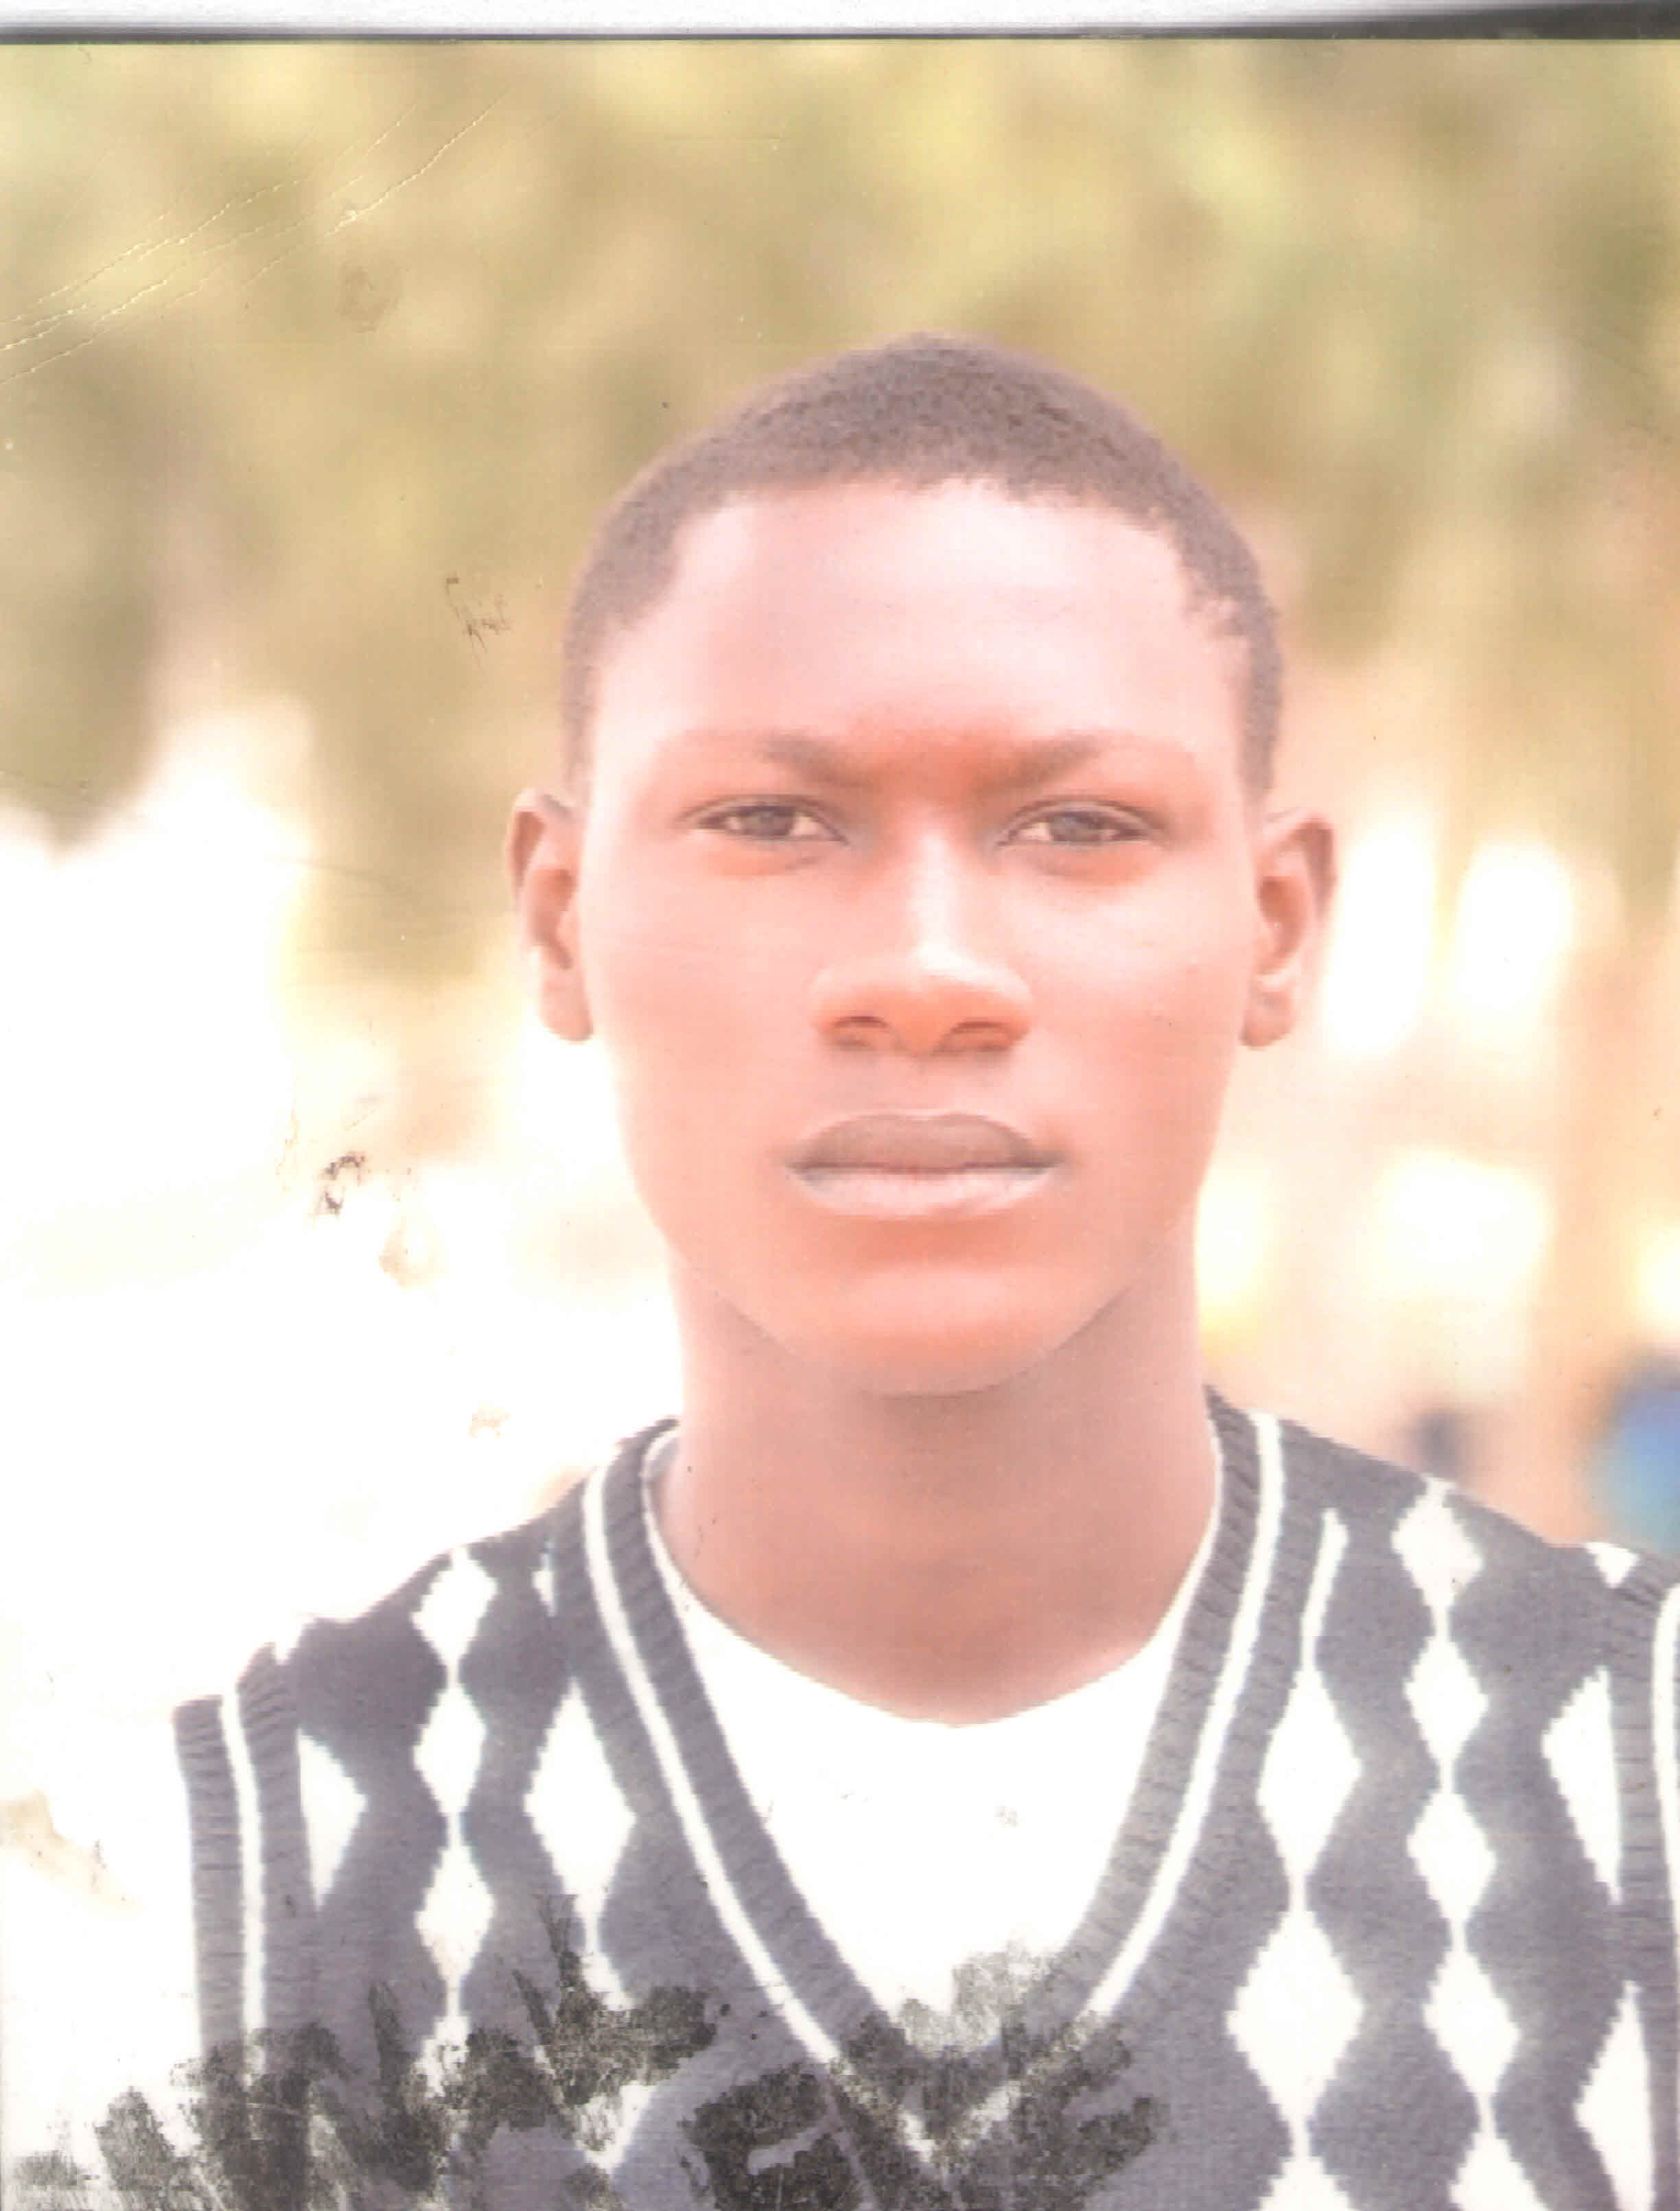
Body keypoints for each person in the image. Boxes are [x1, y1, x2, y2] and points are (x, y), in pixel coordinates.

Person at [167, 336, 1680, 2210]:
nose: (927, 970)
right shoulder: (216, 1897)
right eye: (771, 822)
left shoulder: (1634, 1773)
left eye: (1080, 826)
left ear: (1278, 924)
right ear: (560, 918)